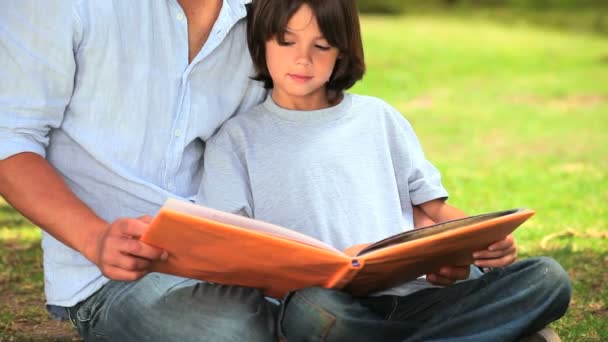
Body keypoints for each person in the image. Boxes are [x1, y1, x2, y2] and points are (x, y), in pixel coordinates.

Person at [196, 0, 572, 341]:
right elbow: (234, 256)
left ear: (342, 51)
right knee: (315, 313)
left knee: (547, 278)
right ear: (261, 42)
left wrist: (482, 244)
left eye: (321, 46)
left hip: (416, 296)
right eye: (286, 41)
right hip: (330, 309)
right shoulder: (235, 141)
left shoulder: (379, 118)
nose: (303, 60)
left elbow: (437, 212)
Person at [0, 0, 282, 341]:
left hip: (234, 260)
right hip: (111, 278)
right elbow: (10, 138)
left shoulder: (270, 12)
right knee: (232, 330)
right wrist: (95, 237)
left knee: (334, 311)